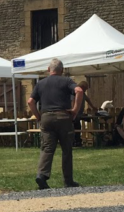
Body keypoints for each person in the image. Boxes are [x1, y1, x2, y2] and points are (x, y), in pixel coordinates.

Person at [28, 58, 83, 190]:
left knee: (47, 148)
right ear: (62, 70)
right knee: (66, 149)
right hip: (63, 116)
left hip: (46, 117)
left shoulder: (40, 83)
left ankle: (42, 175)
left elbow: (30, 101)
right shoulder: (67, 81)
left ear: (48, 70)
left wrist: (39, 116)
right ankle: (68, 180)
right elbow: (79, 91)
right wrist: (75, 110)